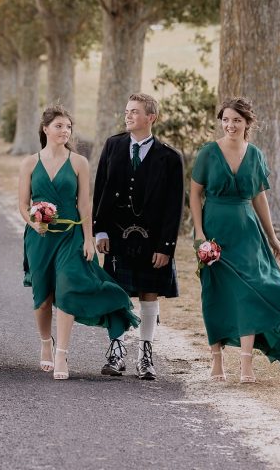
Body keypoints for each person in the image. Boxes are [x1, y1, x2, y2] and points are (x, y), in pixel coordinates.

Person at [190, 97, 280, 383]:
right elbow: (194, 194)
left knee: (251, 292)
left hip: (248, 234)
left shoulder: (256, 155)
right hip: (213, 230)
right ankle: (216, 361)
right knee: (215, 293)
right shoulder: (207, 153)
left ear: (247, 123)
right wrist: (199, 235)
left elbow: (259, 197)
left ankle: (246, 364)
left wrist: (272, 237)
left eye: (237, 120)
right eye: (225, 119)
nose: (230, 125)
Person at [21, 106, 140, 380]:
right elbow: (22, 203)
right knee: (42, 299)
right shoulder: (30, 163)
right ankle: (45, 344)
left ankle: (62, 353)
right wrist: (33, 221)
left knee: (67, 290)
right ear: (45, 129)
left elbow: (85, 204)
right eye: (59, 126)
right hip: (40, 238)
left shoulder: (79, 163)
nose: (65, 131)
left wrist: (88, 238)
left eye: (68, 127)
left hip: (70, 236)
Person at [93, 93, 185, 380]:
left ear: (151, 117)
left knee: (149, 293)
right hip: (118, 236)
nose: (129, 115)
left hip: (152, 239)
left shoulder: (170, 157)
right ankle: (116, 349)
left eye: (135, 111)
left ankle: (145, 354)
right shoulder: (114, 145)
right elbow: (101, 189)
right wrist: (100, 229)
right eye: (127, 111)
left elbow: (174, 206)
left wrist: (165, 247)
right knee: (117, 293)